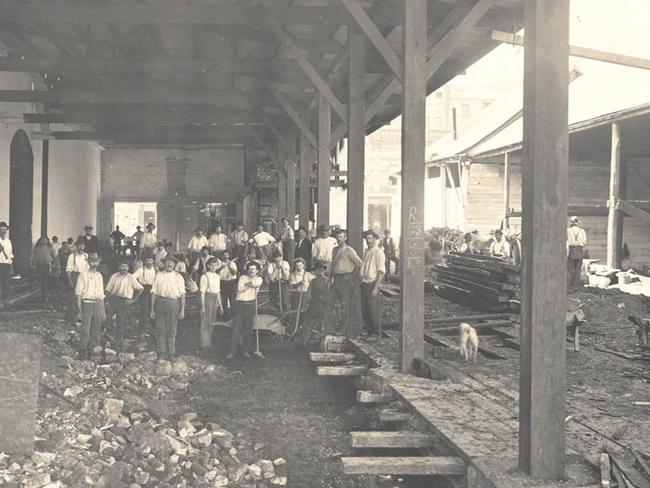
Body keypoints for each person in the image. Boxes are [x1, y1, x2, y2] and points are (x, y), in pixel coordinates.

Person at [150, 255, 186, 360]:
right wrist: (152, 309)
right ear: (164, 264)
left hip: (173, 303)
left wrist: (182, 310)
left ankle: (171, 353)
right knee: (160, 329)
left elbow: (182, 294)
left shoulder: (178, 277)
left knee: (172, 329)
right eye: (167, 262)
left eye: (171, 262)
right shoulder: (159, 275)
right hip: (160, 302)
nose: (169, 264)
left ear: (174, 265)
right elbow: (154, 293)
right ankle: (161, 352)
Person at [226, 261, 263, 359]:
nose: (251, 271)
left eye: (253, 269)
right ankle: (232, 352)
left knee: (248, 329)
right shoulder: (242, 277)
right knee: (236, 329)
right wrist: (248, 285)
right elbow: (239, 288)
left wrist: (246, 285)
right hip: (240, 305)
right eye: (250, 269)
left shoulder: (259, 279)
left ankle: (245, 351)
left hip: (251, 305)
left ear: (257, 271)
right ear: (247, 270)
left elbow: (253, 284)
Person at [330, 229, 363, 336]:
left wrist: (352, 276)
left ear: (345, 238)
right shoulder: (334, 250)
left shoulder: (349, 250)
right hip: (336, 279)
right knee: (330, 302)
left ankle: (343, 329)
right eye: (337, 237)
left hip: (345, 281)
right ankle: (330, 326)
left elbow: (359, 264)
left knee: (345, 305)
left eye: (341, 237)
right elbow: (333, 265)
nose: (338, 239)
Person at [105, 260, 144, 349]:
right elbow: (108, 289)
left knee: (121, 321)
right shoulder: (114, 276)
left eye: (126, 267)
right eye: (122, 266)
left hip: (124, 301)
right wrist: (107, 301)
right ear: (119, 267)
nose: (124, 268)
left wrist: (133, 300)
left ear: (128, 268)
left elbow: (141, 289)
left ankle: (119, 342)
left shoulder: (131, 277)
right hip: (113, 299)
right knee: (108, 319)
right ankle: (107, 339)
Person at [75, 255, 106, 359]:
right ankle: (82, 351)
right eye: (92, 262)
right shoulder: (83, 275)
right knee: (85, 330)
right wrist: (79, 310)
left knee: (96, 330)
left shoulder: (99, 276)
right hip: (86, 303)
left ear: (98, 263)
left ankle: (92, 350)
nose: (94, 264)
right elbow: (78, 294)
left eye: (96, 262)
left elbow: (101, 295)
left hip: (97, 304)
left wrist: (103, 311)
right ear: (89, 263)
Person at [360, 230, 386, 341]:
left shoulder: (378, 252)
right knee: (365, 310)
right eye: (367, 239)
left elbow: (381, 271)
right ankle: (370, 332)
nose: (368, 241)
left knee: (373, 310)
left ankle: (376, 334)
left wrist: (376, 287)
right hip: (364, 283)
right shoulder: (367, 252)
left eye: (370, 238)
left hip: (372, 283)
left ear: (375, 239)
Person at [199, 257, 223, 349]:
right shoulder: (205, 276)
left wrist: (220, 306)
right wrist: (203, 307)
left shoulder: (217, 276)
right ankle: (205, 344)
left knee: (213, 321)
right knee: (206, 321)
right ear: (208, 266)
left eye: (215, 265)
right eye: (211, 265)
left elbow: (217, 292)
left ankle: (209, 341)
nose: (213, 267)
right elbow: (202, 292)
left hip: (214, 299)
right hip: (207, 299)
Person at [289, 258, 313, 345]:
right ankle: (295, 338)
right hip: (296, 297)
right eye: (297, 265)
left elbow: (315, 281)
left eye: (300, 265)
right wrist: (299, 284)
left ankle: (305, 339)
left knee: (305, 318)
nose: (298, 267)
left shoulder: (308, 274)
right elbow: (292, 285)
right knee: (296, 317)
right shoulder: (292, 275)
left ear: (303, 265)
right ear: (295, 266)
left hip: (305, 297)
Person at [66, 239, 89, 323]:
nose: (81, 247)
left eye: (82, 245)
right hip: (75, 276)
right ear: (76, 246)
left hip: (84, 276)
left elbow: (87, 268)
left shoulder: (86, 255)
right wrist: (70, 280)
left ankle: (81, 316)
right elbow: (68, 269)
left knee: (83, 295)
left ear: (84, 246)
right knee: (73, 297)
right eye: (79, 245)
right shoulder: (72, 256)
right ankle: (70, 318)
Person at [305, 262, 331, 335]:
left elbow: (308, 294)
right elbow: (329, 293)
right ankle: (322, 333)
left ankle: (309, 335)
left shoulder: (313, 281)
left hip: (315, 304)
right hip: (324, 303)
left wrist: (307, 303)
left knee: (308, 319)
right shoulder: (328, 281)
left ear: (317, 271)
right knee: (322, 321)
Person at [132, 256, 156, 330]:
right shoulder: (140, 270)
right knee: (144, 308)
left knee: (154, 307)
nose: (149, 262)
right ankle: (143, 327)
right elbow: (132, 278)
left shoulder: (155, 270)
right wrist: (138, 285)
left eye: (150, 260)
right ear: (144, 262)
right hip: (144, 290)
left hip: (154, 289)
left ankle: (153, 326)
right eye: (147, 260)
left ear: (153, 261)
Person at [32, 237, 56, 302]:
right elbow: (33, 258)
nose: (43, 242)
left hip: (47, 266)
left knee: (45, 281)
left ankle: (45, 296)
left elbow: (55, 257)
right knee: (40, 280)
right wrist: (34, 265)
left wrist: (53, 265)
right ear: (39, 241)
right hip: (39, 266)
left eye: (45, 240)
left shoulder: (50, 249)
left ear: (47, 241)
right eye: (42, 240)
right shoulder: (36, 249)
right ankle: (39, 295)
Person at [567, 216, 587, 291]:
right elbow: (584, 242)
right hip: (579, 249)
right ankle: (576, 287)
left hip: (571, 249)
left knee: (570, 269)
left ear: (571, 222)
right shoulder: (582, 231)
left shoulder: (568, 231)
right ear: (577, 223)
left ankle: (569, 287)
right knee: (578, 269)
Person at [218, 251, 238, 320]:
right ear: (222, 256)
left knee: (232, 299)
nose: (225, 257)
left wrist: (229, 265)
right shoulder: (219, 263)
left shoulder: (232, 263)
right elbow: (216, 272)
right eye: (224, 255)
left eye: (227, 255)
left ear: (229, 256)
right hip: (222, 282)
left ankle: (234, 315)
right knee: (224, 299)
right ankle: (225, 315)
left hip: (231, 283)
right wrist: (221, 267)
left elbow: (234, 273)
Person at [0, 222, 12, 307]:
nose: (3, 231)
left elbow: (10, 254)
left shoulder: (8, 241)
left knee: (6, 284)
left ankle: (6, 303)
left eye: (5, 229)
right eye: (2, 229)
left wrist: (11, 264)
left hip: (6, 265)